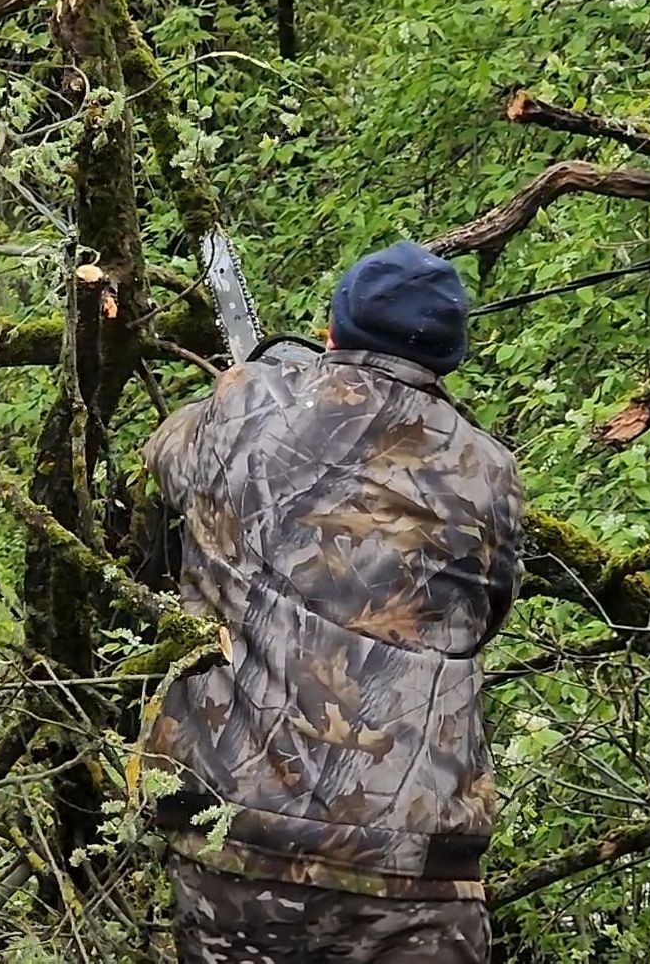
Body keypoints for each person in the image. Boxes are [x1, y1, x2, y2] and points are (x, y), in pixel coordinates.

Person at [141, 240, 524, 963]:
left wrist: (260, 381)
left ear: (331, 331)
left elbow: (165, 457)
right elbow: (484, 616)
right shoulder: (489, 470)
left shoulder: (244, 405)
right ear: (449, 356)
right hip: (418, 856)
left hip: (241, 840)